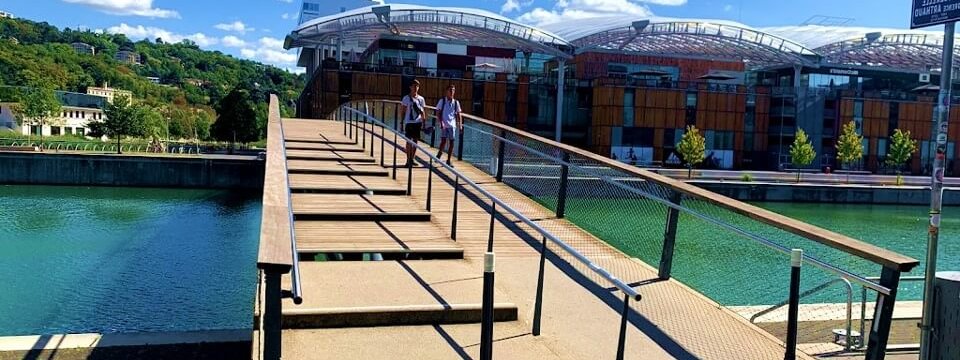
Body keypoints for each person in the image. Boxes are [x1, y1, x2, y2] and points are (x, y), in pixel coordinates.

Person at [434, 84, 463, 166]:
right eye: (450, 90)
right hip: (444, 124)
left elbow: (459, 114)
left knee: (452, 142)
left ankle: (449, 160)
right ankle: (439, 153)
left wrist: (460, 125)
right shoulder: (442, 101)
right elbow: (438, 112)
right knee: (443, 141)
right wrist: (441, 122)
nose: (451, 92)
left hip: (452, 125)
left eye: (453, 90)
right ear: (446, 91)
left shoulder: (456, 102)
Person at [400, 79, 426, 167]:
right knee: (408, 141)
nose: (416, 88)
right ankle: (408, 159)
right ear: (410, 87)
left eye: (417, 86)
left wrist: (423, 122)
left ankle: (412, 158)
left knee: (415, 141)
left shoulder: (421, 99)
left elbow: (423, 111)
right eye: (414, 86)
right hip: (409, 122)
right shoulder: (406, 98)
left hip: (417, 122)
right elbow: (403, 111)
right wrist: (401, 122)